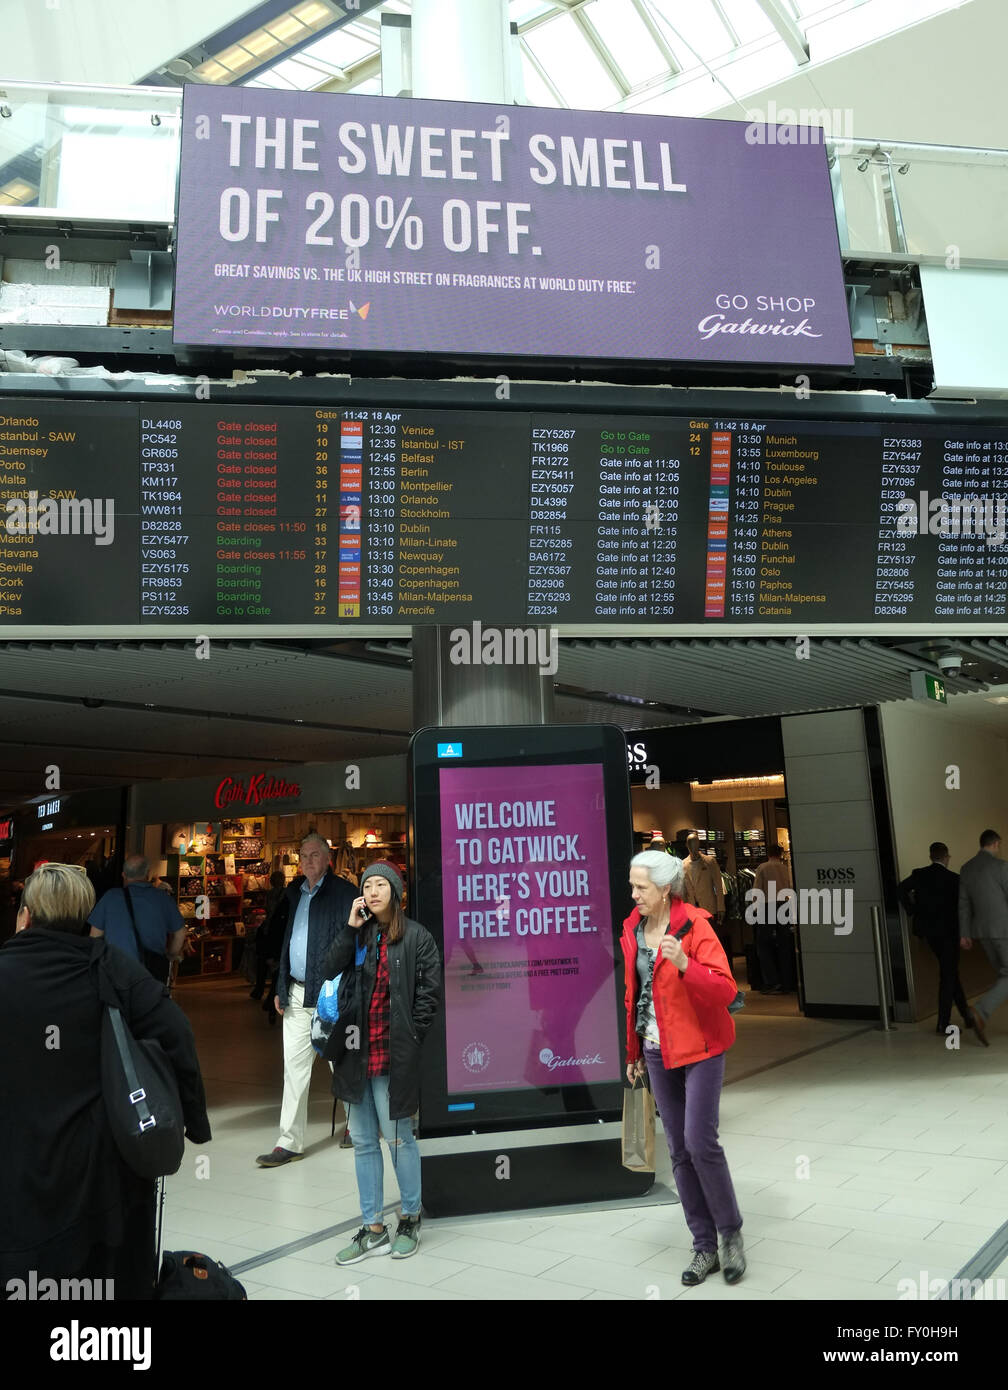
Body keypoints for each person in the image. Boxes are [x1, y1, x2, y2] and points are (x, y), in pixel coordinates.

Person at [0, 863, 210, 1299]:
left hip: (15, 1160)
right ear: (86, 917)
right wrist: (193, 1120)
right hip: (101, 1168)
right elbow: (177, 1034)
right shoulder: (113, 969)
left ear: (26, 916)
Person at [622, 850, 745, 1287]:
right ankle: (703, 1245)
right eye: (633, 885)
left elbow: (726, 990)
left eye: (641, 887)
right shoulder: (633, 929)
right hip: (657, 1052)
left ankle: (730, 1234)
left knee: (699, 1142)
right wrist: (633, 1052)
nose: (633, 893)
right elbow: (634, 995)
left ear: (665, 889)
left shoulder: (695, 925)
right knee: (676, 1150)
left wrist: (684, 964)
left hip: (702, 1049)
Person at [328, 862, 441, 1265]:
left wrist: (411, 1037)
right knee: (362, 1141)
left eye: (381, 885)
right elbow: (326, 968)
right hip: (355, 1053)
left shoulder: (416, 937)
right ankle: (373, 1227)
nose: (373, 891)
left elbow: (429, 993)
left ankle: (410, 1218)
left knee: (398, 1139)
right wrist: (349, 927)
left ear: (395, 891)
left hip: (393, 1054)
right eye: (367, 885)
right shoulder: (358, 934)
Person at [257, 834, 357, 1167]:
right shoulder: (293, 893)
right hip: (297, 992)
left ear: (328, 859)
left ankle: (357, 1126)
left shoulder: (345, 893)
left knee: (339, 1062)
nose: (308, 861)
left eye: (315, 855)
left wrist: (350, 991)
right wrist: (280, 987)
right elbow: (287, 943)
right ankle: (289, 1142)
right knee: (294, 1070)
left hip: (330, 994)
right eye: (303, 855)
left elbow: (359, 942)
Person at [900, 841, 974, 1037]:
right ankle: (943, 1022)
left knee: (950, 972)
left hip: (929, 934)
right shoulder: (954, 879)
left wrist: (913, 910)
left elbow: (901, 889)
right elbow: (964, 908)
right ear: (946, 857)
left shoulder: (919, 874)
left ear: (931, 856)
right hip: (950, 934)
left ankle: (967, 1016)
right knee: (948, 975)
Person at [88, 853, 187, 979]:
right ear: (148, 874)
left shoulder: (110, 897)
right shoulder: (163, 899)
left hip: (116, 971)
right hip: (150, 974)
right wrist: (171, 955)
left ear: (123, 874)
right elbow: (180, 933)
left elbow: (94, 937)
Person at [958, 829, 1008, 1046]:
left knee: (1004, 976)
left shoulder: (966, 868)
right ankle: (980, 1011)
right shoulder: (1001, 866)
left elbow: (964, 905)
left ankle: (981, 1012)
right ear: (996, 844)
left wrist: (964, 933)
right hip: (1004, 930)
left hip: (982, 933)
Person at [682, 832, 731, 967]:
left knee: (712, 941)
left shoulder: (710, 862)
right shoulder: (682, 865)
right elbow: (683, 890)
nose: (694, 846)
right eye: (691, 843)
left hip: (709, 908)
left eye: (696, 842)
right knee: (696, 943)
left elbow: (718, 886)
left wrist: (721, 907)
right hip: (692, 910)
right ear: (687, 845)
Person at [752, 843, 794, 994]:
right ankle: (787, 981)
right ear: (780, 853)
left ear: (768, 853)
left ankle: (772, 982)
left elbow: (757, 890)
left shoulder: (762, 868)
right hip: (784, 905)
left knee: (763, 945)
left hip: (767, 905)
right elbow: (791, 887)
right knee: (784, 944)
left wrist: (755, 909)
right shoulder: (785, 868)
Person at [250, 870, 290, 1010]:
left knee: (263, 960)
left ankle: (259, 988)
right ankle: (272, 993)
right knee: (276, 964)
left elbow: (268, 911)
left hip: (268, 929)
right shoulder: (286, 894)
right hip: (279, 932)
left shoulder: (270, 894)